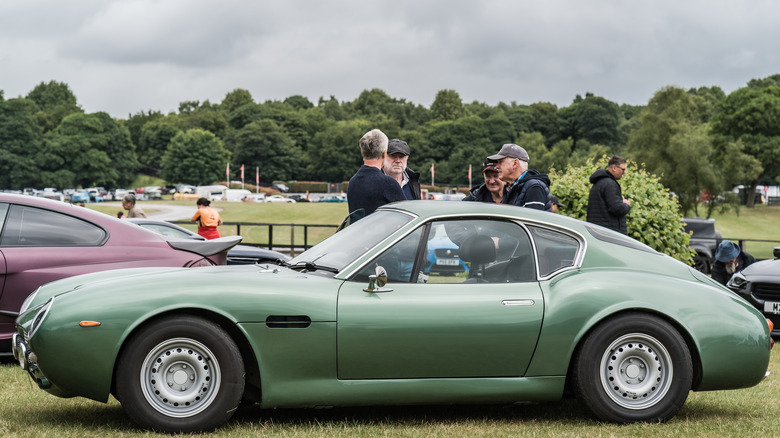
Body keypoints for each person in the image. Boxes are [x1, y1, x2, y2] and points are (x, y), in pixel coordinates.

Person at [346, 129, 406, 219]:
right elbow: (407, 217)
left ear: (362, 154)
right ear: (384, 154)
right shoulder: (388, 183)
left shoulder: (353, 182)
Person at [489, 143, 552, 210]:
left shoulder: (534, 188)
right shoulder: (511, 188)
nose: (496, 167)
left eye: (500, 162)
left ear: (515, 163)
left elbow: (531, 219)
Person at [586, 156, 631, 234]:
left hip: (598, 231)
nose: (624, 172)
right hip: (609, 233)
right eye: (623, 169)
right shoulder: (610, 184)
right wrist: (626, 204)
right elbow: (616, 208)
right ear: (614, 168)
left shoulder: (599, 182)